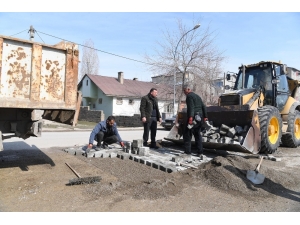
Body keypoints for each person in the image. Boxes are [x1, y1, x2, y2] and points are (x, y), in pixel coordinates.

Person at [182, 84, 208, 159]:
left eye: (184, 90)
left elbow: (191, 107)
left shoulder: (189, 96)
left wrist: (190, 118)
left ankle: (188, 152)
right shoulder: (197, 96)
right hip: (200, 117)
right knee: (197, 135)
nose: (184, 92)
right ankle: (200, 152)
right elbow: (203, 106)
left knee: (187, 134)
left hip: (193, 117)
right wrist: (205, 116)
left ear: (188, 89)